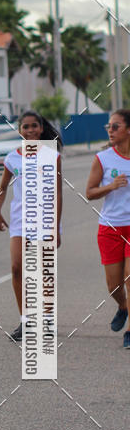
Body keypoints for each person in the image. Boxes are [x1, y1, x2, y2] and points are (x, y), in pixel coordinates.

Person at [0, 111, 62, 342]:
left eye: (34, 126)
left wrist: (56, 227)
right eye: (26, 127)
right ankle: (26, 322)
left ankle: (48, 319)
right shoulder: (12, 158)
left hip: (44, 221)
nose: (31, 131)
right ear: (20, 130)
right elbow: (2, 187)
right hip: (20, 221)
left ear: (41, 129)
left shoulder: (51, 156)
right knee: (16, 268)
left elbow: (58, 193)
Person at [85, 109, 130, 347]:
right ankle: (123, 306)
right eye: (108, 127)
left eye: (115, 126)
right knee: (114, 285)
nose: (110, 131)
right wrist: (111, 186)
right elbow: (89, 193)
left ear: (128, 129)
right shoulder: (103, 159)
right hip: (110, 228)